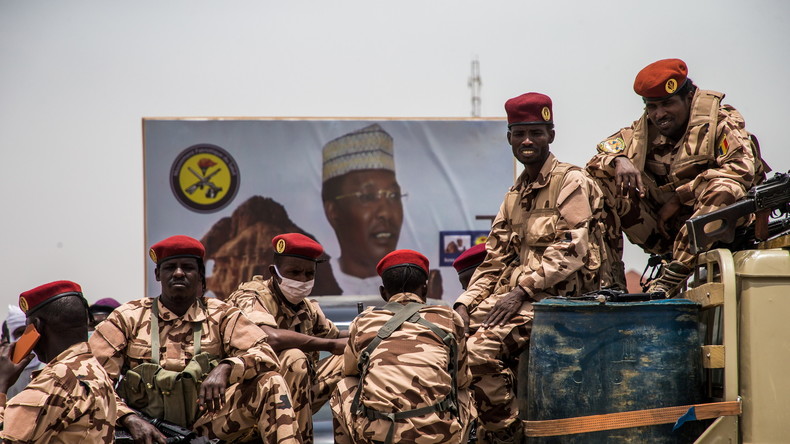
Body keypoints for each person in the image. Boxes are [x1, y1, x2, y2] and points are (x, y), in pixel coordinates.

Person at [454, 92, 605, 443]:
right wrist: (464, 304)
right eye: (519, 133)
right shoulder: (514, 195)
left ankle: (508, 435)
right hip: (521, 302)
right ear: (509, 137)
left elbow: (572, 248)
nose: (527, 141)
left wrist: (521, 290)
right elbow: (493, 259)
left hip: (563, 303)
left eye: (535, 133)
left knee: (475, 355)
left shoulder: (570, 181)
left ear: (550, 135)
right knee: (447, 341)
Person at [89, 235, 301, 444]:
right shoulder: (129, 316)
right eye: (170, 267)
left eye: (187, 267)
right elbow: (92, 378)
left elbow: (265, 354)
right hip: (148, 427)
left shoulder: (221, 314)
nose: (179, 273)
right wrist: (129, 418)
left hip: (208, 424)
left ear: (200, 275)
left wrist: (227, 367)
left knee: (271, 382)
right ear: (157, 274)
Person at [586, 58, 768, 295]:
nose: (660, 114)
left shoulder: (720, 124)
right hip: (666, 233)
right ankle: (612, 286)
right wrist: (619, 160)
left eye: (667, 104)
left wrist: (680, 196)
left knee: (725, 187)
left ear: (689, 98)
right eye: (652, 107)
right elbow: (594, 163)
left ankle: (672, 276)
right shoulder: (643, 132)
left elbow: (741, 169)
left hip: (723, 229)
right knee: (600, 183)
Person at [331, 249, 475, 444]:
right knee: (465, 393)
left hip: (380, 437)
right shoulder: (449, 318)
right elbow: (462, 379)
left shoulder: (363, 321)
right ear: (425, 289)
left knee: (343, 386)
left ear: (383, 293)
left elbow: (349, 370)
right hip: (437, 435)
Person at [226, 233, 348, 444]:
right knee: (294, 358)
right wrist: (329, 344)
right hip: (253, 396)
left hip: (296, 394)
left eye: (309, 274)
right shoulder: (250, 296)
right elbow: (268, 337)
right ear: (274, 272)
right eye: (294, 272)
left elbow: (336, 335)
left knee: (351, 356)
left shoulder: (307, 307)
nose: (302, 280)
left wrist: (372, 328)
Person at [321, 124, 442, 298]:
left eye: (393, 196)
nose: (386, 213)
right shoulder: (318, 283)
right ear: (333, 212)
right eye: (368, 197)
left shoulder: (422, 286)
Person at [0, 280, 118, 442]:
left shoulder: (55, 380)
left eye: (28, 328)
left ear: (37, 327)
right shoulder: (95, 369)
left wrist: (1, 383)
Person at [3, 305, 44, 397]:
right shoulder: (4, 375)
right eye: (20, 333)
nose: (24, 339)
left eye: (28, 333)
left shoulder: (47, 366)